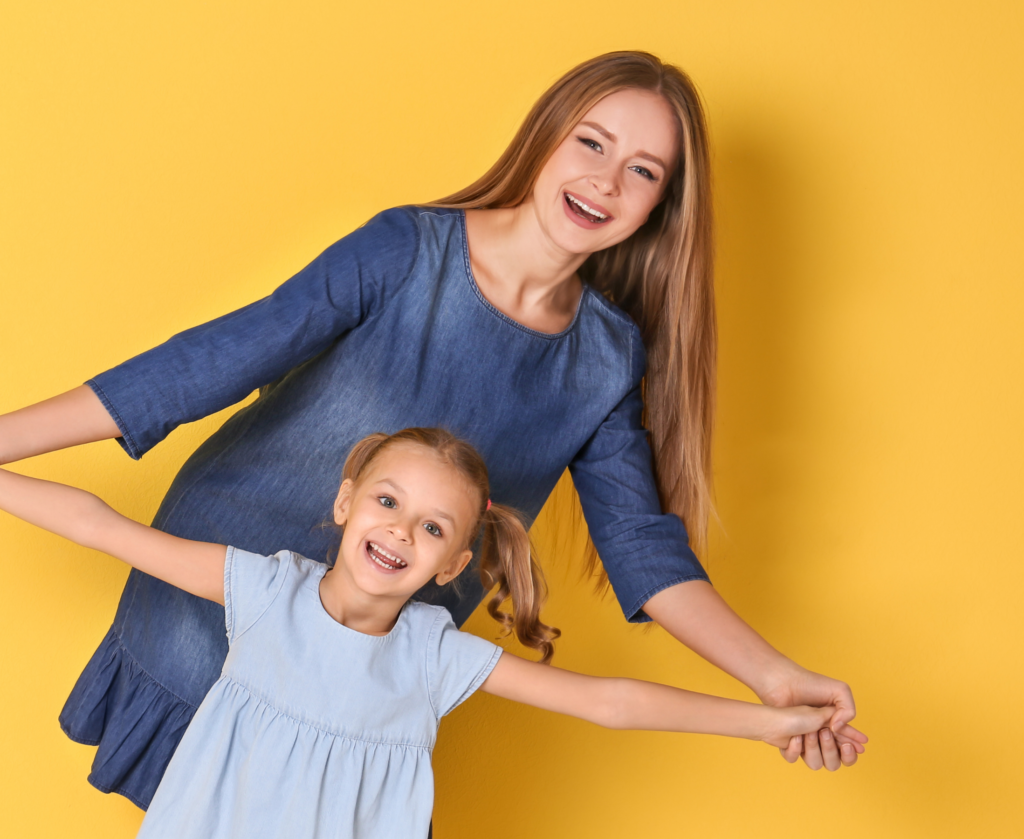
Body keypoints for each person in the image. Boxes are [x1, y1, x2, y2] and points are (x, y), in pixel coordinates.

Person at [0, 51, 866, 808]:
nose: (606, 180)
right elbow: (211, 362)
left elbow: (643, 549)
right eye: (592, 143)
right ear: (546, 137)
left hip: (366, 668)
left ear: (662, 206)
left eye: (642, 170)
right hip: (215, 589)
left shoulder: (606, 359)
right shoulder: (409, 251)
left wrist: (774, 680)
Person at [0, 427, 844, 838]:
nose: (403, 530)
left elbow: (608, 702)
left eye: (434, 527)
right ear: (345, 503)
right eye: (388, 501)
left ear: (453, 566)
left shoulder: (434, 656)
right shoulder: (263, 590)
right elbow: (101, 526)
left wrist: (772, 720)